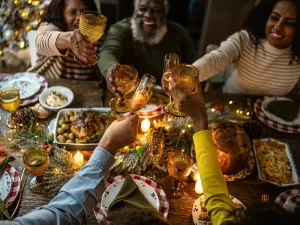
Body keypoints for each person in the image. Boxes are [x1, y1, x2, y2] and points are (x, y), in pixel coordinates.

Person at [193, 0, 300, 96]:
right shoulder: (245, 39)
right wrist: (186, 76)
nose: (278, 26)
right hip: (231, 100)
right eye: (274, 18)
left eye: (290, 23)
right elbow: (216, 59)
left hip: (271, 112)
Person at [98, 0, 196, 104]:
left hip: (167, 101)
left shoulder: (179, 33)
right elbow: (107, 52)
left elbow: (193, 67)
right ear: (135, 11)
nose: (148, 15)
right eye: (143, 9)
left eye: (156, 10)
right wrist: (111, 69)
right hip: (127, 99)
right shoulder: (120, 29)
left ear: (165, 12)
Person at [27, 0, 101, 80]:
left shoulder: (96, 34)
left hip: (82, 86)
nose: (79, 17)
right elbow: (41, 41)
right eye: (73, 12)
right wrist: (69, 39)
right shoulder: (51, 26)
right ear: (61, 14)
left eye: (83, 11)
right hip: (45, 82)